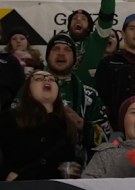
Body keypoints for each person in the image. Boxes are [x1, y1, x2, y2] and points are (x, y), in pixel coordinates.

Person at [13, 33, 111, 165]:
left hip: (76, 170)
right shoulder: (28, 89)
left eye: (67, 50)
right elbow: (11, 127)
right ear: (47, 57)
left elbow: (106, 139)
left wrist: (82, 125)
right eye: (55, 49)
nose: (61, 53)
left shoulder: (89, 96)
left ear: (75, 59)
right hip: (31, 166)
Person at [0, 71, 79, 181]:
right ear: (28, 91)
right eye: (38, 78)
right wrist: (5, 175)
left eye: (51, 79)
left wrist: (73, 171)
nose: (47, 80)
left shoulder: (67, 124)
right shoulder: (12, 118)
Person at [62, 0, 116, 87]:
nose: (78, 20)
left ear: (90, 27)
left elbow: (107, 12)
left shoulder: (96, 41)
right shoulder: (60, 41)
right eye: (75, 18)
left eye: (83, 19)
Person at [95, 14, 135, 133]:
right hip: (117, 131)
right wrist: (109, 131)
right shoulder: (107, 63)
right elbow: (100, 102)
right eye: (132, 28)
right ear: (123, 34)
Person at [0, 23, 25, 112]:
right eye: (14, 39)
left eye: (22, 38)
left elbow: (21, 91)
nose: (18, 41)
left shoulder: (10, 61)